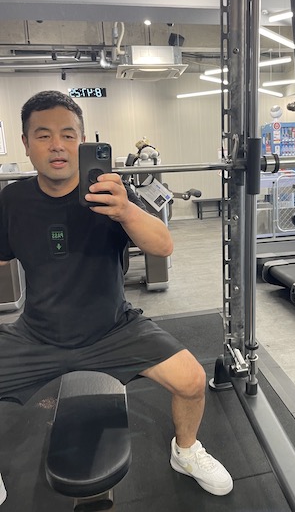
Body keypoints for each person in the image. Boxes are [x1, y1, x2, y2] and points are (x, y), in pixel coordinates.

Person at [0, 90, 233, 503]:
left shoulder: (111, 193)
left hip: (113, 329)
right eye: (43, 135)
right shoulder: (12, 200)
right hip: (37, 335)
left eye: (68, 135)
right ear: (25, 143)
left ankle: (186, 451)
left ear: (83, 141)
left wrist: (125, 210)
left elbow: (162, 246)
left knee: (192, 380)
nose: (57, 145)